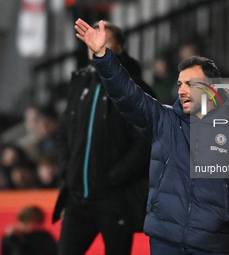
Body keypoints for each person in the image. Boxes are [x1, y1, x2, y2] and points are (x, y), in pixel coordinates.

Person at [74, 19, 229, 255]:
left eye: (190, 84)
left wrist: (227, 215)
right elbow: (127, 93)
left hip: (210, 245)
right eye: (179, 84)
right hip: (165, 243)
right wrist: (103, 56)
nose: (182, 90)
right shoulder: (163, 120)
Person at [53, 20, 154, 255]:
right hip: (78, 199)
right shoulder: (81, 83)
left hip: (116, 200)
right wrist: (68, 170)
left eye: (104, 42)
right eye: (92, 43)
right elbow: (63, 131)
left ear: (119, 48)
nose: (96, 47)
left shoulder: (135, 88)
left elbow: (146, 139)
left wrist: (115, 176)